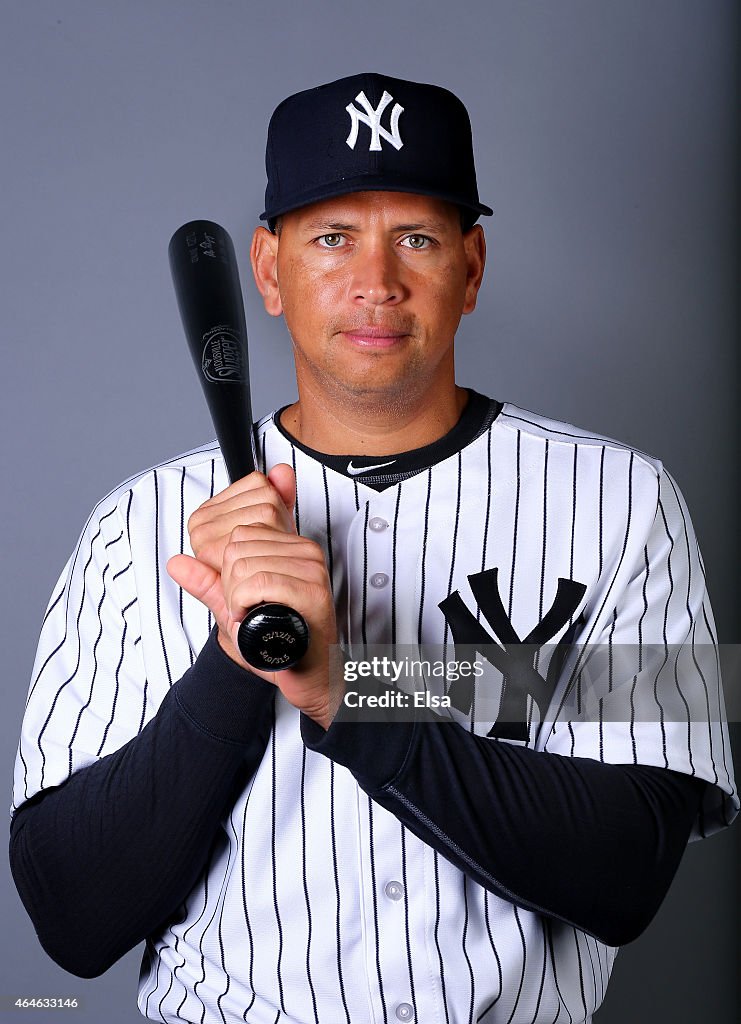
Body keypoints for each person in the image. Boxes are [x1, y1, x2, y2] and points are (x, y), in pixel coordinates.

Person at [10, 72, 738, 1024]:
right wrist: (238, 661)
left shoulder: (626, 503)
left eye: (418, 238)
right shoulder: (138, 523)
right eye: (331, 238)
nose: (376, 282)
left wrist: (346, 688)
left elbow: (629, 869)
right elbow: (72, 918)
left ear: (470, 269)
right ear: (267, 272)